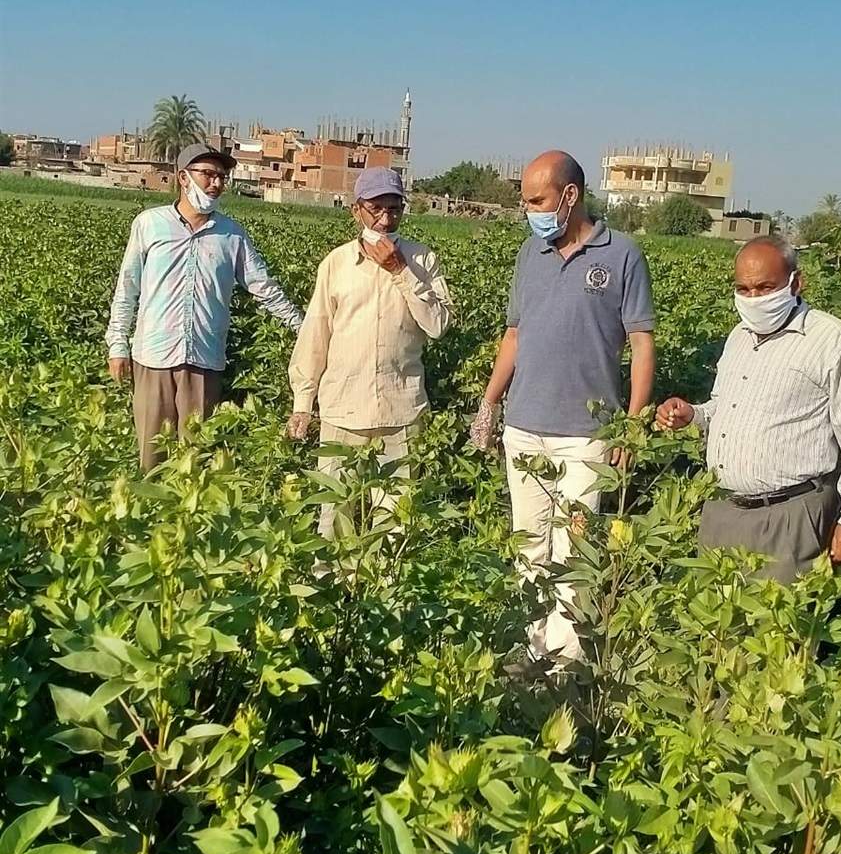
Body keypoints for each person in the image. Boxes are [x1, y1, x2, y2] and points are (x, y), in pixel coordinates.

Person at [470, 150, 656, 669]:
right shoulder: (531, 253)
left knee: (574, 555)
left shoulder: (622, 255)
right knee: (528, 549)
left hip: (587, 436)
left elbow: (642, 342)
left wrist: (631, 428)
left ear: (569, 196)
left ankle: (564, 666)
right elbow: (514, 333)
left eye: (537, 200)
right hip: (524, 428)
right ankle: (529, 654)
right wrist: (489, 404)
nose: (530, 211)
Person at [656, 236, 841, 582]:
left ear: (796, 282)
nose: (753, 298)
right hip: (723, 511)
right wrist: (694, 415)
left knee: (776, 630)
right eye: (743, 289)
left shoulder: (831, 341)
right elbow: (726, 407)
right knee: (715, 631)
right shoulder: (739, 337)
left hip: (788, 516)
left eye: (765, 287)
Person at [106, 143, 304, 469]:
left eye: (222, 177)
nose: (216, 183)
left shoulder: (232, 235)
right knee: (151, 458)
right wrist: (117, 345)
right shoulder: (149, 224)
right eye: (207, 174)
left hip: (204, 361)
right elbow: (127, 288)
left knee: (194, 460)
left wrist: (305, 327)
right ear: (183, 178)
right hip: (153, 357)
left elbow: (264, 289)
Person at [286, 167, 452, 537]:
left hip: (401, 412)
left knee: (395, 522)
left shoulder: (422, 261)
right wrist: (302, 403)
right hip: (342, 412)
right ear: (356, 210)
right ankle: (332, 587)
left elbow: (438, 325)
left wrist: (401, 271)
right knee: (334, 519)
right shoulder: (336, 264)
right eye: (376, 209)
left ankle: (387, 591)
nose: (385, 219)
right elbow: (316, 334)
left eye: (394, 209)